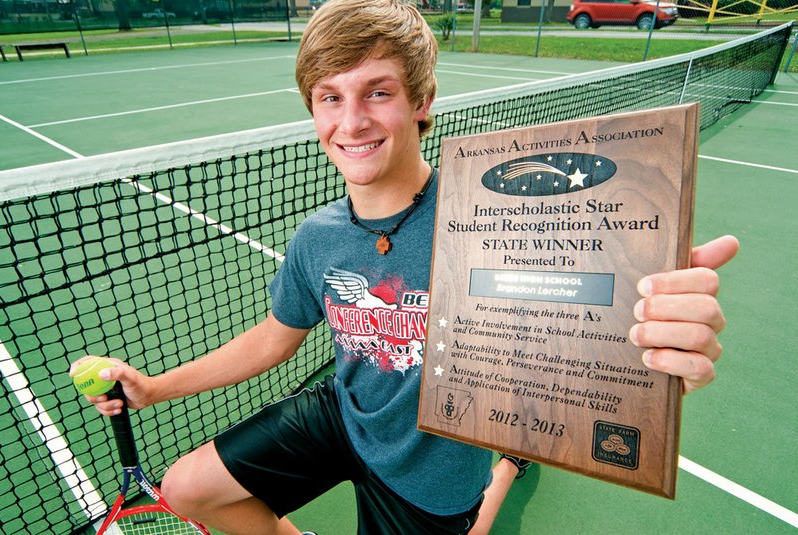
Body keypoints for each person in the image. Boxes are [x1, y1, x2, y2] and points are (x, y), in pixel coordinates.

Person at [72, 0, 739, 533]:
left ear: (422, 102)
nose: (351, 120)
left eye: (377, 92)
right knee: (189, 486)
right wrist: (156, 387)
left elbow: (587, 315)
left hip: (437, 459)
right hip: (350, 413)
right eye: (330, 97)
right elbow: (275, 339)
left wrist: (658, 348)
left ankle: (504, 466)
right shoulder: (318, 237)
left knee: (476, 502)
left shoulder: (494, 216)